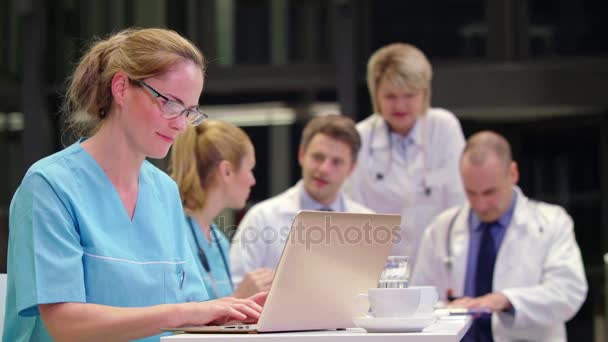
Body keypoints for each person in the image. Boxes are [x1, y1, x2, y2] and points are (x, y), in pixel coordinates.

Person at [3, 28, 265, 342]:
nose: (181, 124)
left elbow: (190, 305)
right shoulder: (50, 187)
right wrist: (179, 314)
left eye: (190, 112)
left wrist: (225, 314)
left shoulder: (165, 192)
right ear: (122, 88)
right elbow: (65, 323)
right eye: (170, 103)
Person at [411, 131, 587, 341]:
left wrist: (506, 300)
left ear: (512, 173)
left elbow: (568, 292)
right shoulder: (441, 229)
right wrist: (448, 309)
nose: (480, 205)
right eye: (471, 192)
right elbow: (417, 301)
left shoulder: (552, 223)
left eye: (489, 192)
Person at [346, 43, 466, 269]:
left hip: (438, 266)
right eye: (390, 96)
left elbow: (459, 203)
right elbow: (353, 213)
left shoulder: (444, 128)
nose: (400, 105)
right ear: (376, 96)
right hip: (379, 269)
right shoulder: (360, 137)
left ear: (425, 94)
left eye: (409, 95)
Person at [230, 114, 373, 286]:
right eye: (318, 157)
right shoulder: (261, 218)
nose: (324, 169)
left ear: (351, 168)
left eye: (337, 162)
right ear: (301, 155)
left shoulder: (368, 223)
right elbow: (236, 289)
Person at [170, 120, 274, 300]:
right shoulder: (173, 234)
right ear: (226, 171)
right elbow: (175, 316)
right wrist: (240, 298)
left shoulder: (218, 240)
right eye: (250, 169)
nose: (253, 181)